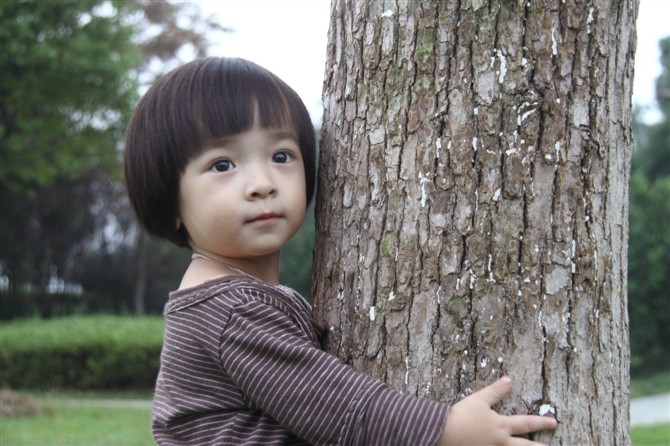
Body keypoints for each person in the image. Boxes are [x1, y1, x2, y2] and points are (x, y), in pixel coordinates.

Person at [124, 57, 557, 445]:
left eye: (281, 155)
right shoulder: (230, 309)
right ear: (171, 200)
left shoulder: (237, 295)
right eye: (223, 165)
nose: (262, 183)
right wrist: (448, 430)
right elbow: (337, 408)